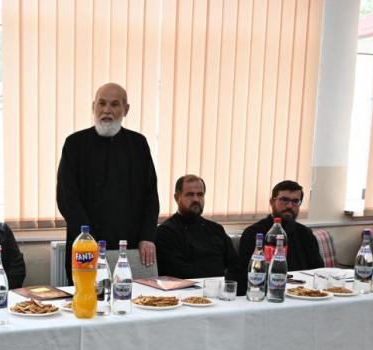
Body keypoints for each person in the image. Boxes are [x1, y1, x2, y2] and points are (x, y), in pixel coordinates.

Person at [57, 82, 160, 279]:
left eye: (114, 104)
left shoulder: (138, 144)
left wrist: (147, 236)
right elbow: (67, 197)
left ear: (126, 109)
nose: (106, 110)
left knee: (131, 295)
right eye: (102, 103)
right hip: (86, 244)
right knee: (88, 295)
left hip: (130, 244)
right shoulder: (75, 144)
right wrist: (87, 240)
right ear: (93, 107)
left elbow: (151, 194)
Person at [238, 180, 324, 291]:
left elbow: (318, 270)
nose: (289, 206)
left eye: (295, 201)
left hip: (303, 291)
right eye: (284, 200)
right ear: (272, 202)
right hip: (267, 291)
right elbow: (244, 273)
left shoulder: (305, 233)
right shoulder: (254, 233)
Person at [155, 175, 240, 279]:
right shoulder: (165, 232)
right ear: (177, 198)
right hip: (187, 288)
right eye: (190, 194)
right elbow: (178, 272)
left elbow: (236, 266)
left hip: (222, 286)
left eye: (200, 194)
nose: (196, 199)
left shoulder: (216, 229)